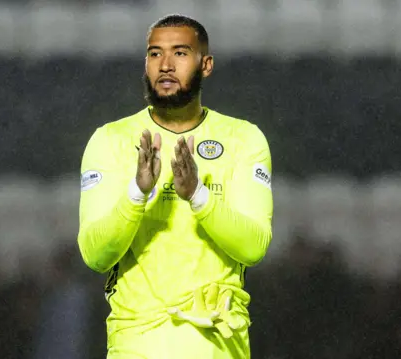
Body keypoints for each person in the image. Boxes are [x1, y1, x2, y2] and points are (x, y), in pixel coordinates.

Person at [77, 14, 273, 359]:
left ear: (206, 64)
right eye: (155, 54)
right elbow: (95, 255)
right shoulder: (110, 141)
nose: (165, 65)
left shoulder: (244, 139)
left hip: (217, 345)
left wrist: (198, 195)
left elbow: (254, 247)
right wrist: (137, 193)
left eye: (180, 53)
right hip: (137, 342)